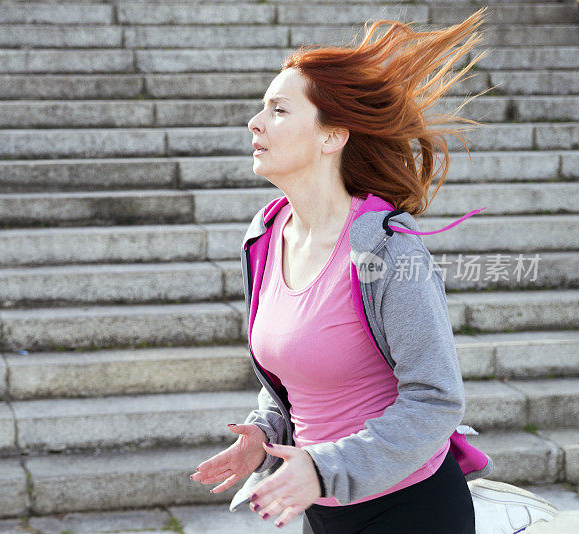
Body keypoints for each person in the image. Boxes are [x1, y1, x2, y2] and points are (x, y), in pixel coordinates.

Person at [189, 7, 556, 534]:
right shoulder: (265, 238)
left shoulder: (388, 253)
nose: (255, 122)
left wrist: (322, 469)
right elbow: (292, 378)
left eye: (278, 110)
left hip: (410, 508)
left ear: (332, 135)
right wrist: (264, 432)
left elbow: (436, 400)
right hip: (323, 509)